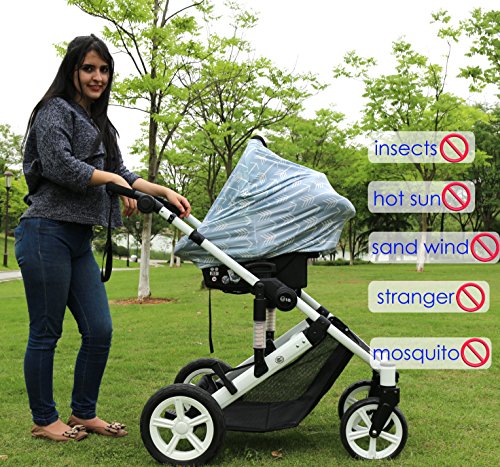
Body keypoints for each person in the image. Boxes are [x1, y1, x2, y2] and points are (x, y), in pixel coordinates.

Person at [15, 34, 191, 442]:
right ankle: (44, 419)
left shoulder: (99, 122)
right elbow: (60, 165)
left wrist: (161, 191)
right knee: (46, 331)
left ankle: (83, 412)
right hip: (45, 232)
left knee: (99, 329)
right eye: (89, 68)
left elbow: (121, 173)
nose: (98, 77)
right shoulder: (53, 111)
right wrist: (111, 180)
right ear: (72, 70)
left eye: (104, 70)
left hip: (79, 240)